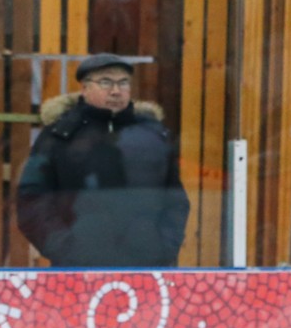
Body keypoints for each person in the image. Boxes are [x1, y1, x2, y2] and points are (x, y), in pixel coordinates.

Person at [15, 53, 189, 267]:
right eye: (105, 82)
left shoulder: (153, 136)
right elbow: (32, 202)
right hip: (78, 270)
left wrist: (163, 248)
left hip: (147, 268)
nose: (116, 91)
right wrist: (65, 249)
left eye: (123, 83)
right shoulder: (59, 137)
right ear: (84, 89)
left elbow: (176, 200)